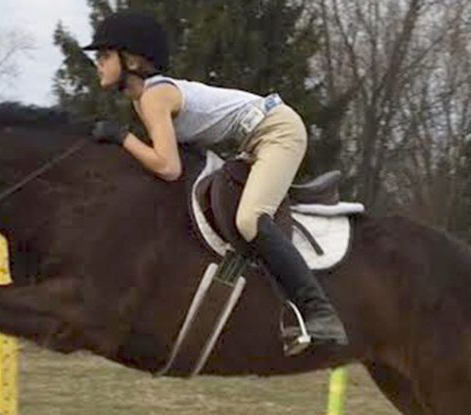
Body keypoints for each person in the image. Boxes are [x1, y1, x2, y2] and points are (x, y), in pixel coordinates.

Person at [82, 10, 347, 352]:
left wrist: (122, 139)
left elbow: (168, 167)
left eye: (104, 55)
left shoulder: (152, 96)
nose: (98, 64)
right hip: (255, 140)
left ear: (131, 59)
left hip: (277, 131)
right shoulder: (146, 99)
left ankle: (319, 312)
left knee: (250, 219)